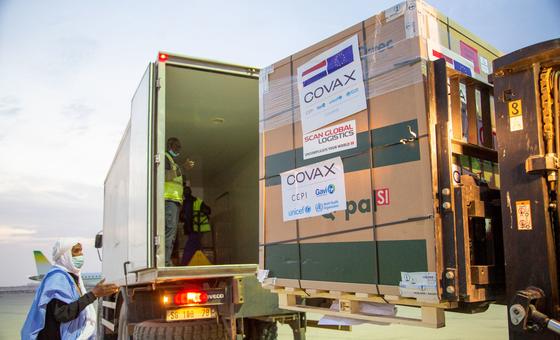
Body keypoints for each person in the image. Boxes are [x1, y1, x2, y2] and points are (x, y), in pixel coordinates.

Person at [21, 239, 119, 340]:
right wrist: (93, 294)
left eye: (81, 251)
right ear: (65, 255)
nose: (81, 255)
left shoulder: (72, 278)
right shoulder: (58, 278)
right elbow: (63, 314)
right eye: (76, 251)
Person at [180, 185, 212, 265]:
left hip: (195, 229)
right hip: (197, 229)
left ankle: (184, 264)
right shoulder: (196, 201)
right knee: (197, 247)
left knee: (190, 247)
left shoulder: (186, 203)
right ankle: (201, 264)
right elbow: (208, 210)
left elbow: (182, 217)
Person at [164, 137, 183, 266]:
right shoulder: (165, 158)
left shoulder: (173, 162)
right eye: (177, 146)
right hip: (168, 199)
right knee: (169, 231)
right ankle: (165, 261)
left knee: (172, 233)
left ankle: (166, 260)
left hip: (174, 201)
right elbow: (164, 176)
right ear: (169, 145)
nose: (179, 149)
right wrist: (183, 168)